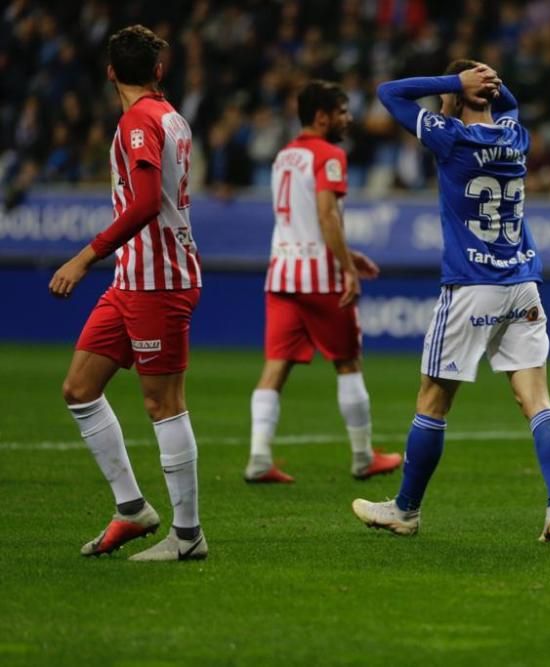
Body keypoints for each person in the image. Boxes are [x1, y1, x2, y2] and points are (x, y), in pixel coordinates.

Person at [351, 61, 550, 541]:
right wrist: (489, 84)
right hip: (523, 285)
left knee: (432, 401)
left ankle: (406, 510)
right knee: (537, 401)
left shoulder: (449, 136)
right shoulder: (516, 136)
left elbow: (390, 92)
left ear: (453, 99)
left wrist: (455, 83)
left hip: (472, 286)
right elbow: (507, 103)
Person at [49, 25, 206, 560]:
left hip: (158, 281)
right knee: (79, 388)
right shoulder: (171, 116)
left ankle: (187, 537)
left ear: (111, 71)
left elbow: (141, 204)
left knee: (163, 403)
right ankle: (132, 509)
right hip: (133, 280)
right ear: (158, 70)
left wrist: (84, 255)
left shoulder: (140, 121)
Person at [243, 80, 402, 484]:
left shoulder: (285, 156)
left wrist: (351, 255)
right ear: (322, 116)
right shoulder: (330, 156)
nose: (349, 119)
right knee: (348, 362)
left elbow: (303, 217)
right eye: (343, 112)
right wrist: (346, 269)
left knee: (275, 366)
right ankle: (363, 456)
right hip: (319, 276)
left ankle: (259, 456)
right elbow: (327, 215)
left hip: (281, 273)